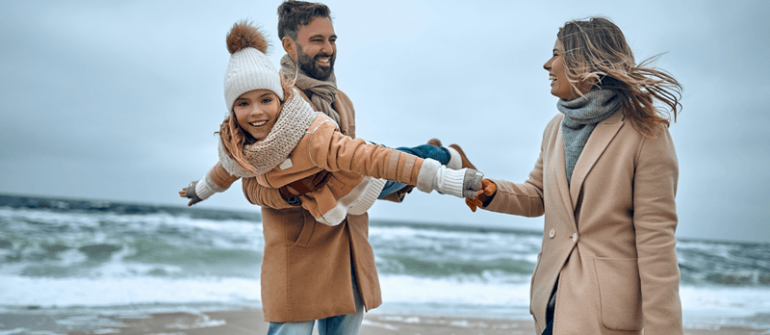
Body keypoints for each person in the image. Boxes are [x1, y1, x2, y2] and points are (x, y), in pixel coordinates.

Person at [465, 17, 683, 335]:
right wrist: (492, 192)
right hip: (552, 303)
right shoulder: (555, 128)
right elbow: (538, 194)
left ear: (584, 61)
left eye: (556, 54)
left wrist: (664, 330)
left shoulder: (646, 134)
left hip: (603, 315)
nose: (547, 64)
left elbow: (656, 243)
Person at [180, 21, 482, 225]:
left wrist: (449, 181)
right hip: (338, 202)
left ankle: (449, 154)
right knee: (407, 176)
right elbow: (225, 171)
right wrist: (200, 190)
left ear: (280, 100)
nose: (256, 112)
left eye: (266, 99)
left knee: (414, 160)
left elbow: (374, 159)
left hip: (367, 179)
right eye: (243, 103)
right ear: (232, 111)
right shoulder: (241, 148)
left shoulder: (311, 136)